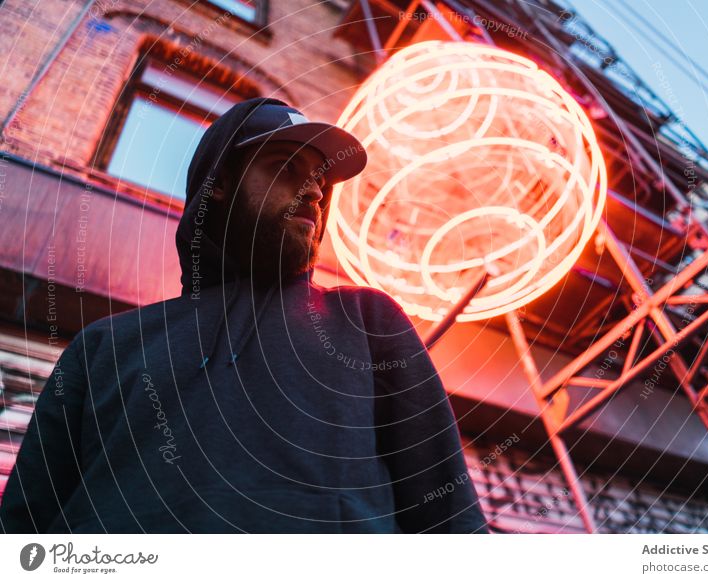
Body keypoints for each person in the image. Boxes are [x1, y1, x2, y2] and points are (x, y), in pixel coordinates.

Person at [0, 97, 489, 533]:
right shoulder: (104, 346)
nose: (316, 192)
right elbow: (24, 526)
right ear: (219, 183)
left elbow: (451, 519)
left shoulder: (367, 321)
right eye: (287, 166)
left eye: (320, 178)